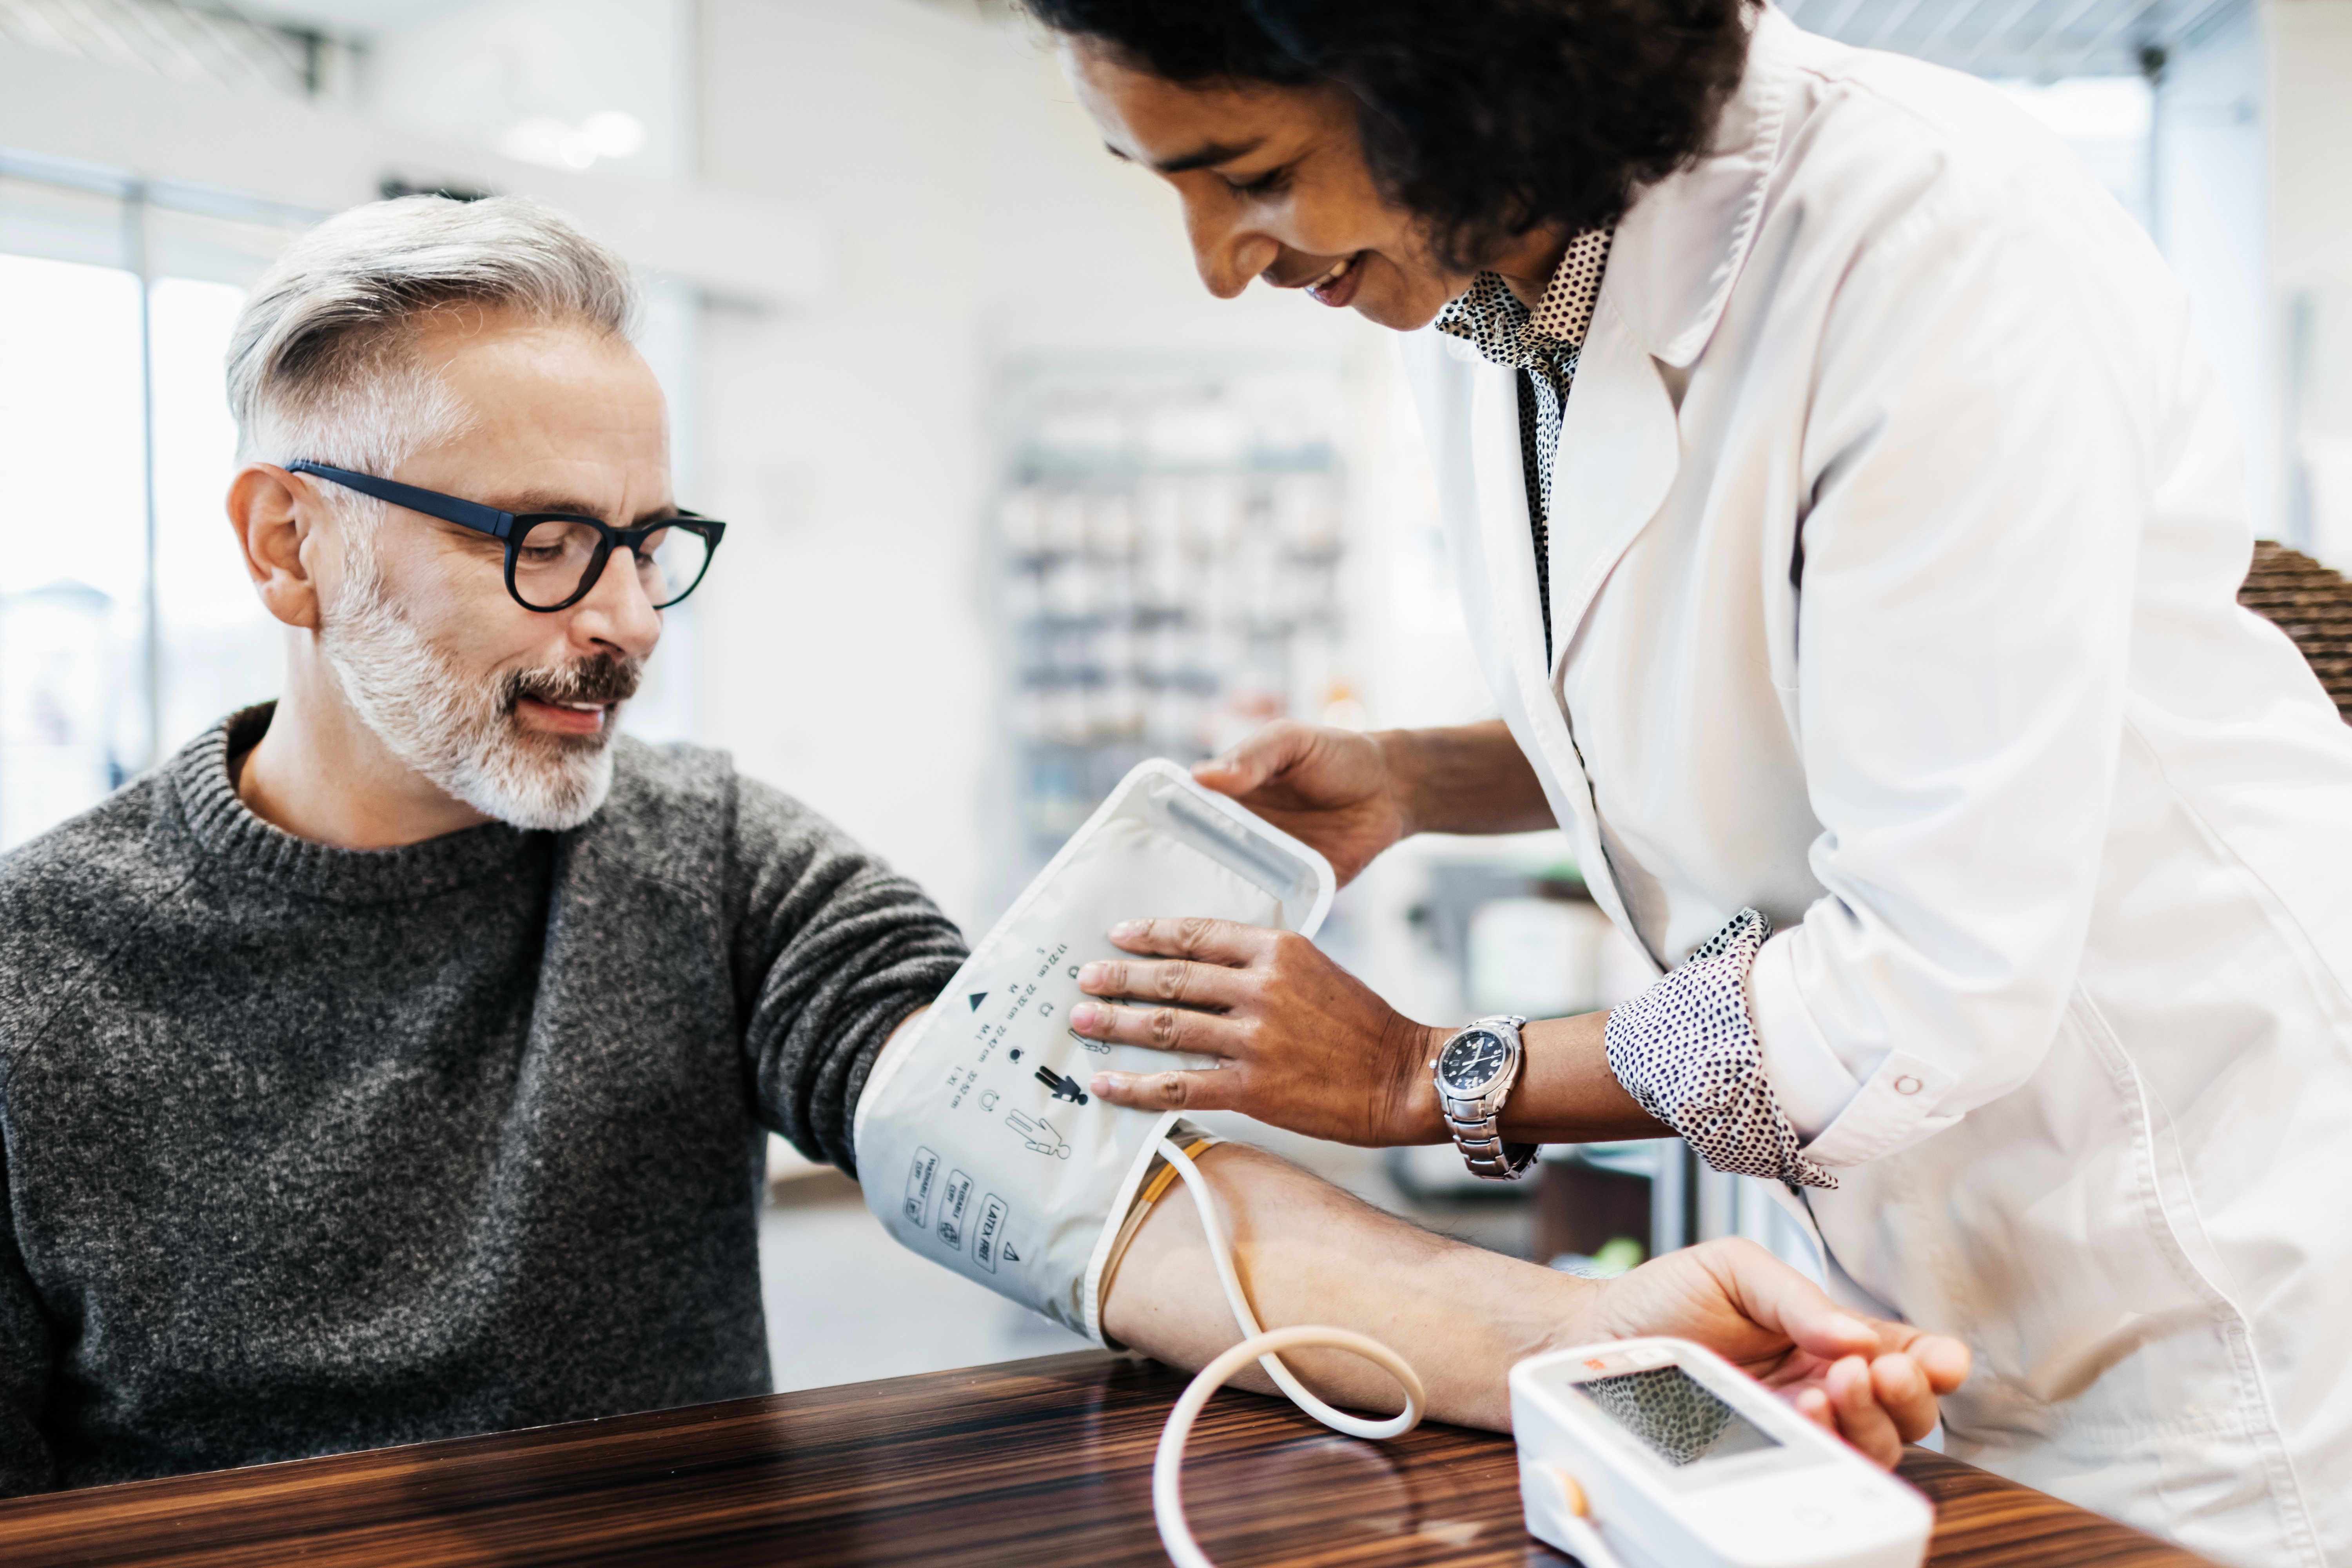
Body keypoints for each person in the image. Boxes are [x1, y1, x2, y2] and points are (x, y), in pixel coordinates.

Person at [0, 194, 1964, 1496]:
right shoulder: (38, 971)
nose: (624, 620)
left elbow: (1082, 1183)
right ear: (286, 539)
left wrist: (1575, 1328)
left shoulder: (709, 862)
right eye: (541, 542)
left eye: (648, 545)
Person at [1033, 1, 2352, 1561]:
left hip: (2201, 1269)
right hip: (1917, 1265)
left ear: (1457, 71)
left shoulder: (1928, 246)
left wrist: (1434, 1076)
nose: (1217, 260)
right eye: (1163, 182)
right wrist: (1415, 778)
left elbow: (1930, 979)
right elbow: (1733, 691)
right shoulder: (1482, 294)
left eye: (1245, 172)